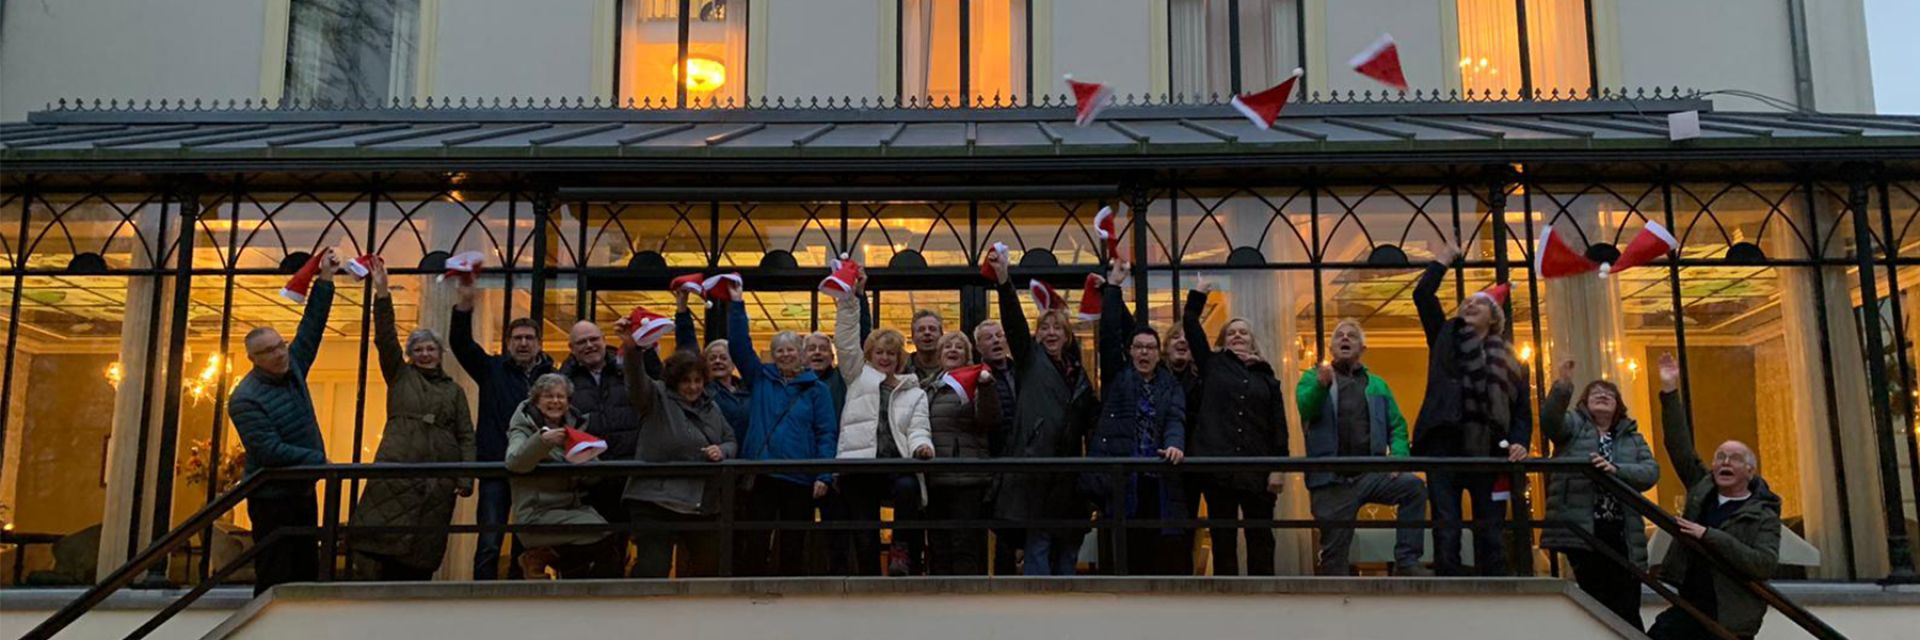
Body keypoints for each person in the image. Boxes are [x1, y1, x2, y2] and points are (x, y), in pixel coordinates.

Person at [347, 261, 476, 581]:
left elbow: (466, 435)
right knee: (379, 544)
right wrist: (381, 292)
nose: (425, 353)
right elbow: (385, 339)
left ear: (440, 353)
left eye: (431, 348)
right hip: (397, 471)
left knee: (422, 551)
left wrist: (466, 477)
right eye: (418, 348)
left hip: (438, 481)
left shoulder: (454, 390)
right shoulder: (400, 376)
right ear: (410, 354)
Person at [1410, 246, 1532, 577]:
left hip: (1491, 449)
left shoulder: (1512, 361)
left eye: (1478, 303)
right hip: (1443, 442)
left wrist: (1521, 441)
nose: (1468, 305)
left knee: (1490, 527)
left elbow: (1522, 411)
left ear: (1494, 317)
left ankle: (1493, 589)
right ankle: (1448, 586)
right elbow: (1422, 294)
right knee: (1446, 524)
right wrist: (1443, 260)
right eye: (1466, 303)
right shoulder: (1444, 336)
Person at [1649, 354, 1782, 640]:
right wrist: (1670, 392)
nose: (1724, 463)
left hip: (1729, 618)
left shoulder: (1763, 513)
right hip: (1689, 606)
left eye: (1734, 459)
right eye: (1720, 457)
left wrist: (1709, 535)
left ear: (1750, 470)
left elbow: (1763, 564)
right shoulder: (1702, 488)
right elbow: (1679, 446)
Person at [229, 248, 338, 595]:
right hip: (272, 498)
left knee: (306, 573)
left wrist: (325, 279)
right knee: (275, 575)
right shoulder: (245, 398)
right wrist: (320, 461)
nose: (280, 353)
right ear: (254, 359)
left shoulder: (293, 370)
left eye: (281, 345)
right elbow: (268, 450)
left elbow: (312, 327)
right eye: (270, 351)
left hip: (302, 490)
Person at [986, 255, 1097, 576]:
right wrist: (1004, 281)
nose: (1050, 333)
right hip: (1036, 469)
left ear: (1067, 335)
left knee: (1068, 547)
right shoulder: (1031, 361)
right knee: (1038, 542)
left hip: (1070, 473)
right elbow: (1014, 324)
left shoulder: (1080, 375)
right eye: (1044, 328)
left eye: (1057, 328)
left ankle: (1068, 614)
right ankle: (1038, 611)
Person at [1298, 320, 1429, 577]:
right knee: (1334, 560)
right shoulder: (1312, 378)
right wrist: (1320, 387)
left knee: (1413, 487)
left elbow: (1397, 426)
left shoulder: (1378, 385)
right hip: (1331, 478)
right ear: (1332, 347)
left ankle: (1407, 561)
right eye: (1339, 336)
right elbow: (1306, 408)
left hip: (1372, 472)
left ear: (1363, 347)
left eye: (1352, 336)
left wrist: (1399, 459)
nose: (1345, 338)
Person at [615, 306, 738, 579]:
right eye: (685, 381)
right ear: (674, 381)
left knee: (708, 569)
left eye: (697, 381)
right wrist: (633, 349)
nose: (693, 387)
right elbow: (636, 383)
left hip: (701, 504)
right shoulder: (656, 398)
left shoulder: (711, 407)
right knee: (653, 567)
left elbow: (730, 439)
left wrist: (723, 450)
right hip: (654, 501)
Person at [1541, 358, 1660, 630]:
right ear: (1584, 402)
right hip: (1583, 528)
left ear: (1618, 405)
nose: (1603, 396)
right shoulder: (1573, 426)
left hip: (1622, 530)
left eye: (1609, 394)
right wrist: (1562, 386)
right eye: (1596, 393)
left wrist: (1616, 470)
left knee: (1627, 602)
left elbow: (1650, 472)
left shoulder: (1632, 436)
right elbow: (1550, 422)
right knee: (1598, 601)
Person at [1086, 261, 1188, 575]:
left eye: (1150, 348)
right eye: (1139, 347)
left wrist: (1174, 445)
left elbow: (1175, 419)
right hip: (1122, 476)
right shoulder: (1119, 376)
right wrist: (1113, 288)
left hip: (1157, 479)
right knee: (1123, 551)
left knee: (1158, 549)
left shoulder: (1170, 385)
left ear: (1159, 353)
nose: (1144, 353)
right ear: (1130, 351)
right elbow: (1109, 334)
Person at [449, 278, 555, 580]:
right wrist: (464, 306)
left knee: (528, 543)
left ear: (539, 343)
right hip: (496, 466)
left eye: (529, 338)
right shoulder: (491, 370)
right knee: (489, 540)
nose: (523, 343)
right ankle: (479, 599)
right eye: (517, 338)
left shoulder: (552, 376)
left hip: (535, 469)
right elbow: (461, 344)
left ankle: (519, 597)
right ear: (508, 343)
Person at [726, 293, 839, 576]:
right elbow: (740, 347)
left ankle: (791, 598)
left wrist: (824, 474)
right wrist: (737, 304)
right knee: (756, 539)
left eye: (791, 350)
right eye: (780, 351)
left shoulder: (817, 390)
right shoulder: (761, 379)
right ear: (773, 355)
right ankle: (751, 597)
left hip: (800, 475)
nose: (786, 355)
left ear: (801, 354)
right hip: (762, 472)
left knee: (793, 541)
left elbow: (826, 433)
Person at [1181, 284, 1289, 576]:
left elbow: (1279, 426)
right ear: (1224, 341)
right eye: (1232, 332)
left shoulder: (1267, 377)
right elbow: (1190, 323)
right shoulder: (1213, 364)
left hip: (1257, 467)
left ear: (1253, 342)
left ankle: (1262, 601)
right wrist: (1199, 294)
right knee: (1223, 538)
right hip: (1220, 469)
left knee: (1261, 538)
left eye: (1243, 332)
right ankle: (1226, 601)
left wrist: (1278, 468)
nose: (1238, 335)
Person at [832, 273, 934, 575]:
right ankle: (869, 584)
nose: (885, 358)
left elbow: (918, 428)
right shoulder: (857, 378)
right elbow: (846, 341)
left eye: (891, 353)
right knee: (864, 534)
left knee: (908, 488)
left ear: (900, 357)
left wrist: (922, 447)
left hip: (894, 463)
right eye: (880, 352)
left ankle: (900, 550)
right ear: (870, 356)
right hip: (859, 465)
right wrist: (850, 299)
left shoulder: (914, 391)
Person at [505, 374, 624, 579]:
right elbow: (514, 462)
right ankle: (538, 558)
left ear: (568, 402)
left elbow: (590, 478)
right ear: (536, 400)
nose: (555, 401)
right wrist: (542, 441)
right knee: (604, 537)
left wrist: (590, 458)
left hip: (570, 509)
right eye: (548, 396)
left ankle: (546, 563)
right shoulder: (523, 426)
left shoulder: (574, 427)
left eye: (561, 397)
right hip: (537, 513)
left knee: (608, 545)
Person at [560, 318, 643, 574]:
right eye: (581, 342)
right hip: (588, 478)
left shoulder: (625, 369)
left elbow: (653, 381)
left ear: (604, 341)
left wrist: (633, 345)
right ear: (571, 348)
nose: (589, 345)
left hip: (629, 473)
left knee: (621, 544)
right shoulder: (564, 381)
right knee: (585, 546)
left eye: (593, 339)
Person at [922, 331, 1001, 575]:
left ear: (967, 356)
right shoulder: (928, 387)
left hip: (965, 476)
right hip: (935, 476)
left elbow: (989, 418)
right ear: (939, 354)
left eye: (959, 347)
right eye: (947, 347)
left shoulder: (977, 384)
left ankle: (965, 602)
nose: (953, 350)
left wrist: (986, 388)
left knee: (964, 543)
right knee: (937, 544)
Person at [972, 318, 1023, 575]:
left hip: (1025, 462)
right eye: (989, 337)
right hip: (994, 461)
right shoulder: (977, 377)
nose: (996, 340)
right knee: (1002, 529)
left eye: (1000, 335)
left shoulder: (1022, 371)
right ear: (978, 346)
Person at [909, 309, 946, 380]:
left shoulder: (953, 369)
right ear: (913, 337)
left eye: (932, 329)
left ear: (942, 336)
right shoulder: (900, 368)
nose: (927, 333)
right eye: (921, 329)